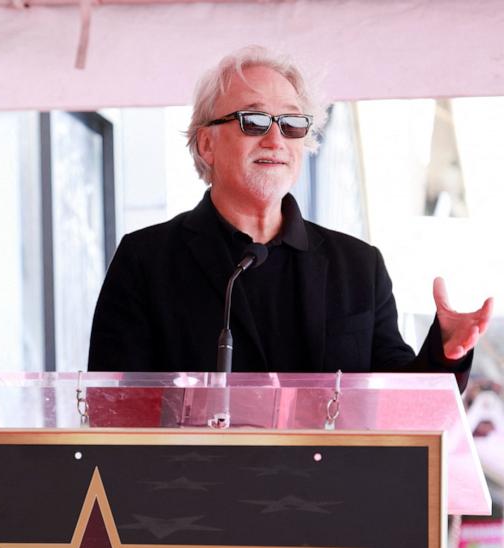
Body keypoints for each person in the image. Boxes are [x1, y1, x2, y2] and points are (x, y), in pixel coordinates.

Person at [87, 46, 492, 387]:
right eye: (254, 120)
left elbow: (397, 403)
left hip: (331, 482)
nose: (275, 139)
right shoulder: (146, 260)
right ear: (207, 143)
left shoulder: (358, 266)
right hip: (193, 481)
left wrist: (444, 351)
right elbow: (112, 410)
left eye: (292, 123)